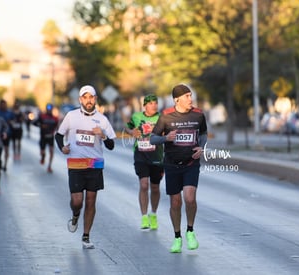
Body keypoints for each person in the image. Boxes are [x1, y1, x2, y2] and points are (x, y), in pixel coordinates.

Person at [54, 85, 116, 249]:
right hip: (76, 164)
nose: (89, 100)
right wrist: (62, 148)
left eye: (91, 97)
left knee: (91, 201)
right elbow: (59, 135)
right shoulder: (71, 116)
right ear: (80, 99)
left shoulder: (102, 119)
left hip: (95, 165)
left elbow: (111, 145)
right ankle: (75, 215)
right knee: (77, 201)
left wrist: (102, 135)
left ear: (95, 99)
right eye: (85, 97)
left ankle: (86, 236)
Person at [150, 84, 207, 253]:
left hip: (191, 164)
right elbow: (153, 138)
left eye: (191, 95)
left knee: (189, 199)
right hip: (171, 164)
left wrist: (201, 148)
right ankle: (177, 237)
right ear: (177, 100)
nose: (191, 99)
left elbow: (203, 134)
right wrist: (166, 138)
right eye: (187, 96)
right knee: (175, 202)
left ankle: (190, 231)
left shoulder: (198, 115)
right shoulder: (166, 116)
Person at [125, 94, 164, 230]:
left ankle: (153, 214)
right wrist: (131, 132)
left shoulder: (162, 118)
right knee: (144, 184)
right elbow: (127, 127)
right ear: (145, 105)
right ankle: (144, 216)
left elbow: (168, 133)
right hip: (141, 154)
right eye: (151, 103)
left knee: (155, 187)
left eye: (155, 103)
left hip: (157, 156)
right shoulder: (136, 117)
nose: (154, 105)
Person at [33, 103, 59, 173]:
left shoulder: (55, 118)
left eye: (50, 109)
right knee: (42, 152)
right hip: (43, 137)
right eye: (48, 109)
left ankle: (49, 166)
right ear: (46, 109)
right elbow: (34, 123)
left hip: (50, 137)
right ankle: (43, 157)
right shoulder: (42, 116)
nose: (49, 111)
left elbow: (58, 127)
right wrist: (41, 125)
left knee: (51, 151)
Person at [0, 99, 14, 171]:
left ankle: (5, 165)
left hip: (7, 133)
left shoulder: (9, 113)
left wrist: (11, 122)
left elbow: (13, 121)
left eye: (4, 104)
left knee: (6, 149)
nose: (3, 106)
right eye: (2, 104)